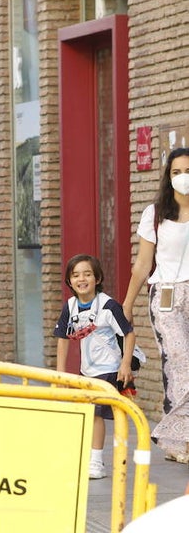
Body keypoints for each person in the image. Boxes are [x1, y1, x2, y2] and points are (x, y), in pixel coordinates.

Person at [123, 146, 189, 463]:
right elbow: (142, 264)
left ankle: (173, 433)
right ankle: (177, 439)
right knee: (180, 362)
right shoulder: (156, 213)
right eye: (176, 172)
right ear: (168, 176)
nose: (183, 177)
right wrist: (127, 304)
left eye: (187, 171)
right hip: (166, 295)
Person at [54, 254, 136, 479]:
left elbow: (129, 333)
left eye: (87, 274)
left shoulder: (108, 306)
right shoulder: (70, 307)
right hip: (87, 370)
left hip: (109, 369)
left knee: (95, 414)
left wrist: (125, 364)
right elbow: (62, 338)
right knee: (89, 413)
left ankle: (97, 462)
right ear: (69, 281)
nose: (82, 279)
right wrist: (61, 375)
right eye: (76, 275)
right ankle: (92, 457)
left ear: (97, 278)